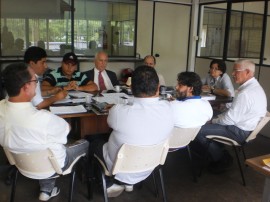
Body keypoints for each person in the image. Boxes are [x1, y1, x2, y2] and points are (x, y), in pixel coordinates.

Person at [0, 63, 89, 201]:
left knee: (43, 145)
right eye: (35, 81)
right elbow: (67, 129)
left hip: (21, 164)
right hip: (55, 165)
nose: (37, 84)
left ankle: (46, 190)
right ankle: (90, 182)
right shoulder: (43, 119)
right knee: (86, 142)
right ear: (25, 87)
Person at [89, 65, 174, 197]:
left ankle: (108, 183)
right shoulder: (169, 108)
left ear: (131, 88)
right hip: (150, 166)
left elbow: (110, 123)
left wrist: (120, 106)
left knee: (93, 142)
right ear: (158, 88)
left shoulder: (118, 111)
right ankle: (128, 184)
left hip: (119, 168)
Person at [195, 59, 267, 173]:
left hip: (239, 131)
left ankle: (222, 158)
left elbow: (230, 119)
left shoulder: (245, 94)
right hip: (245, 127)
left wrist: (212, 121)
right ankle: (214, 149)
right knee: (215, 116)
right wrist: (215, 119)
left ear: (247, 72)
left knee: (198, 130)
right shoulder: (255, 87)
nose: (232, 73)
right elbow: (232, 115)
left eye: (236, 71)